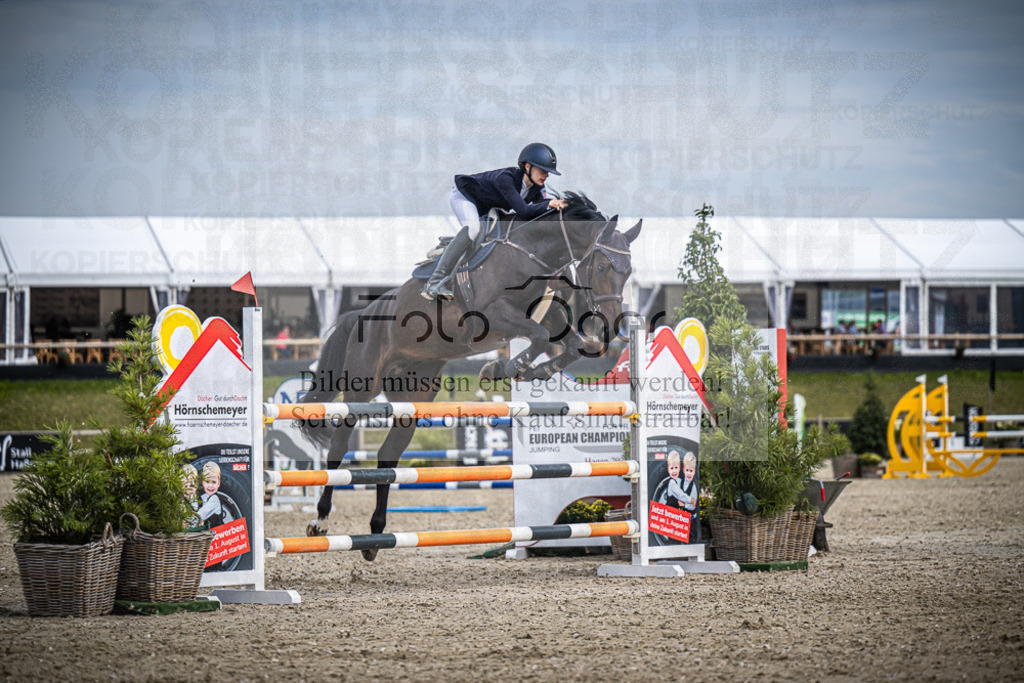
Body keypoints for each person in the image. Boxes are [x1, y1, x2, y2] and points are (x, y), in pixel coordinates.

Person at [421, 142, 570, 301]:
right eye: (542, 170)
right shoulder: (506, 179)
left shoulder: (538, 188)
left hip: (487, 206)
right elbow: (524, 211)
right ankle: (435, 280)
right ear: (527, 167)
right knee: (473, 229)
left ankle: (452, 244)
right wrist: (549, 203)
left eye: (548, 172)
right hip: (465, 197)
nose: (546, 175)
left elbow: (538, 216)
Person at [197, 461, 232, 527]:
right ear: (203, 483)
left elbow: (201, 514)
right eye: (207, 482)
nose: (210, 486)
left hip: (217, 534)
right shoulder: (203, 497)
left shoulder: (214, 499)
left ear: (218, 484)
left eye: (214, 482)